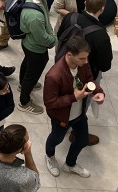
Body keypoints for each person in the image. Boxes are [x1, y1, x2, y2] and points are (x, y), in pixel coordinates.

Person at [43, 35, 105, 179]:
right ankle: (50, 156)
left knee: (82, 140)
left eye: (86, 57)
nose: (86, 61)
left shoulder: (83, 64)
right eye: (82, 58)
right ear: (69, 54)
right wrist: (74, 97)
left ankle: (70, 164)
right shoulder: (54, 76)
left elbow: (89, 79)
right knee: (56, 139)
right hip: (62, 117)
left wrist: (99, 92)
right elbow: (50, 102)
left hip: (79, 114)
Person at [57, 0, 112, 146]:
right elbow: (105, 65)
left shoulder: (70, 17)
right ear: (102, 9)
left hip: (64, 67)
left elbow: (60, 36)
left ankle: (62, 121)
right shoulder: (101, 35)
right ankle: (75, 130)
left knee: (64, 96)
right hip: (85, 76)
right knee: (81, 104)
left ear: (85, 3)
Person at [17, 0, 58, 114]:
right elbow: (43, 39)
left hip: (28, 44)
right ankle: (24, 101)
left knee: (27, 64)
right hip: (35, 48)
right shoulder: (34, 16)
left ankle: (22, 85)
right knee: (32, 74)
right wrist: (55, 39)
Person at [0, 124, 40, 192]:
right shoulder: (23, 179)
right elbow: (36, 181)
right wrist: (28, 152)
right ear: (20, 149)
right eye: (27, 141)